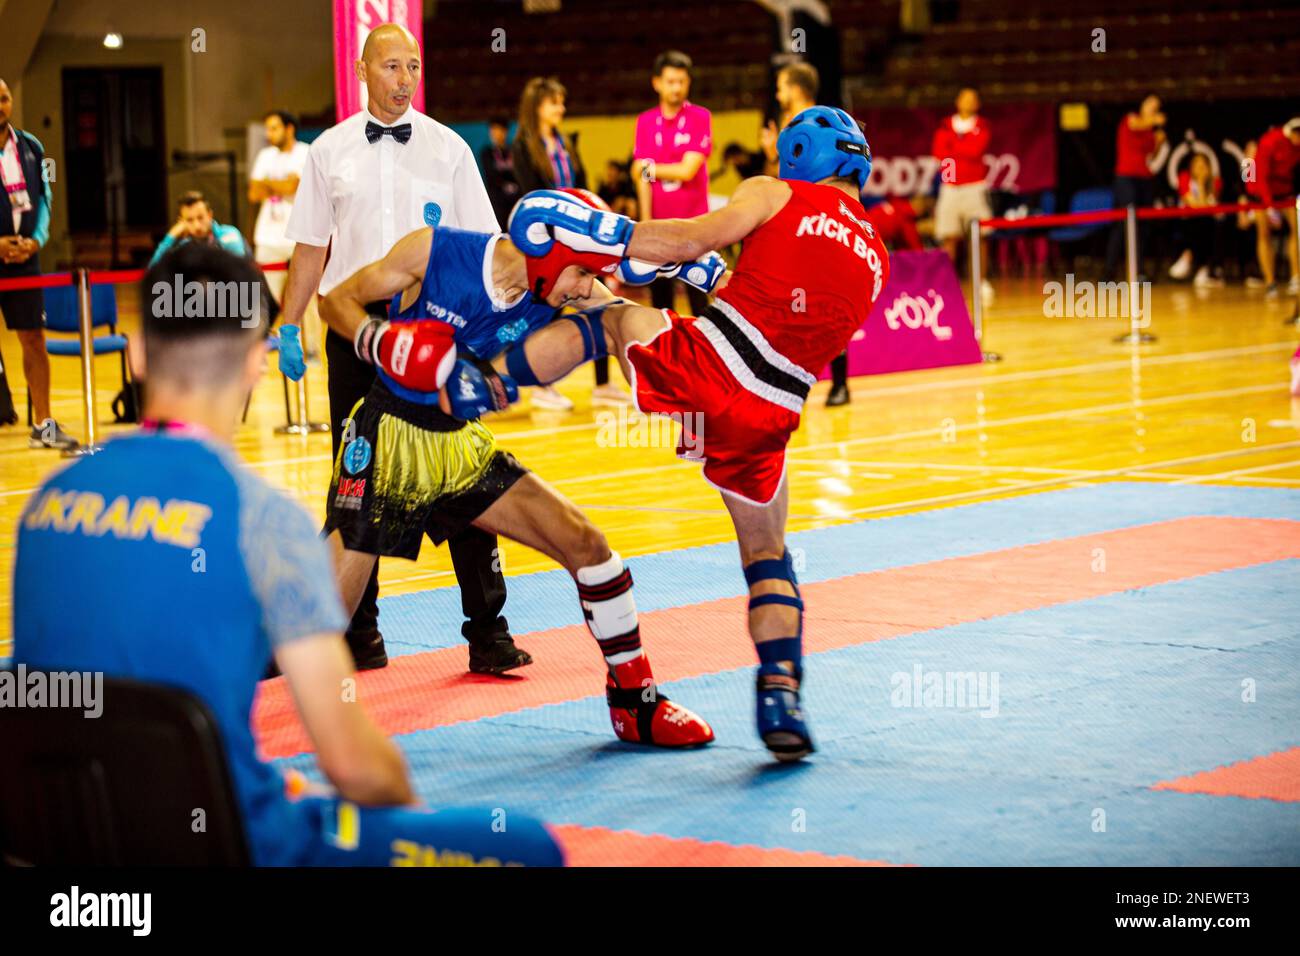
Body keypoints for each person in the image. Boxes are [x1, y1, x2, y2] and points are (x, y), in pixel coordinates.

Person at [12, 243, 563, 867]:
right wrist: (400, 817)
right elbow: (356, 767)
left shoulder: (47, 501)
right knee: (528, 848)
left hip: (62, 844)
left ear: (136, 355)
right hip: (229, 838)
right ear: (256, 366)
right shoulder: (264, 521)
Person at [475, 107, 890, 761]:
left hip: (712, 367)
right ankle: (782, 690)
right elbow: (776, 298)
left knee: (607, 317)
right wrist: (702, 275)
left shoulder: (772, 192)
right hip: (771, 419)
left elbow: (685, 242)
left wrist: (605, 235)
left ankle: (482, 387)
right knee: (767, 556)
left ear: (800, 154)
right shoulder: (878, 259)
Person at [314, 191, 717, 749]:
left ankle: (636, 704)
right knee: (323, 618)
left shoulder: (563, 286)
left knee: (588, 546)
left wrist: (685, 404)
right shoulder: (433, 252)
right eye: (580, 272)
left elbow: (628, 321)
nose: (583, 287)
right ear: (548, 252)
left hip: (459, 442)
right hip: (388, 433)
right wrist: (378, 339)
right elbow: (336, 300)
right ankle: (236, 733)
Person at [280, 23, 528, 676]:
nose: (404, 78)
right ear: (362, 71)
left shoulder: (448, 149)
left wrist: (493, 337)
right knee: (355, 481)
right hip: (353, 332)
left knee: (460, 472)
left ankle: (488, 632)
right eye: (391, 66)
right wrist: (287, 325)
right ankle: (358, 635)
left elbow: (485, 244)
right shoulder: (328, 151)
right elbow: (309, 247)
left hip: (434, 332)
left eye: (412, 66)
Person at [512, 76, 628, 409]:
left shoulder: (564, 141)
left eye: (562, 102)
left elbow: (582, 184)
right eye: (554, 103)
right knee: (549, 310)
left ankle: (603, 383)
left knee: (601, 302)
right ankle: (541, 383)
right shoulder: (523, 146)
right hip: (550, 241)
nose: (561, 108)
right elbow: (531, 195)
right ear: (537, 107)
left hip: (581, 236)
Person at [0, 77, 77, 448]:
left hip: (24, 260)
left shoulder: (33, 147)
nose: (1, 105)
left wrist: (36, 241)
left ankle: (44, 425)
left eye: (4, 98)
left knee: (34, 339)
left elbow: (46, 197)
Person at [633, 51, 713, 319]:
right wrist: (645, 223)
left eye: (681, 81)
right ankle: (665, 359)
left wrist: (648, 168)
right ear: (656, 83)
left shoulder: (700, 117)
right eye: (670, 81)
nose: (676, 87)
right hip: (659, 229)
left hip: (695, 228)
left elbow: (687, 170)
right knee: (660, 305)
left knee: (699, 301)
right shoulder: (644, 122)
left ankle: (704, 358)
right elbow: (641, 178)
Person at [932, 87, 993, 303]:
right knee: (949, 237)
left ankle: (981, 283)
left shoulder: (982, 126)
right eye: (964, 98)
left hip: (975, 187)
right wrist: (959, 149)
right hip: (950, 187)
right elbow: (940, 154)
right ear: (958, 102)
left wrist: (954, 147)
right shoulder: (945, 125)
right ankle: (946, 284)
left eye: (972, 99)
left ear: (977, 104)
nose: (968, 102)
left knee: (979, 237)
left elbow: (975, 151)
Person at [248, 110, 310, 306]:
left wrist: (267, 182)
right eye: (267, 129)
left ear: (289, 129)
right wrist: (283, 183)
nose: (269, 134)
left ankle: (300, 338)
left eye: (274, 128)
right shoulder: (265, 155)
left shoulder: (306, 151)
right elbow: (254, 193)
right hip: (267, 237)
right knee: (267, 303)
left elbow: (295, 186)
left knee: (303, 303)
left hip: (298, 236)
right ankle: (270, 338)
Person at [1104, 95, 1165, 281]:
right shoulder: (1130, 119)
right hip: (1126, 178)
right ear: (1142, 105)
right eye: (1150, 104)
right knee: (1123, 224)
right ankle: (1109, 271)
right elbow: (1137, 125)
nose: (1154, 108)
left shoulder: (1151, 133)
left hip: (1145, 179)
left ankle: (1139, 271)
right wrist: (1154, 121)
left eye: (1157, 107)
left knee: (1143, 227)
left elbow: (1151, 157)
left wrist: (1159, 143)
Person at [1251, 118, 1300, 296]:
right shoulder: (1270, 141)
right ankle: (1270, 282)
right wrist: (1269, 206)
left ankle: (1296, 277)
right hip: (1261, 192)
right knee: (1264, 234)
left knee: (1297, 230)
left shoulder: (1297, 146)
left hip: (1285, 192)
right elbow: (1260, 175)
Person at [1168, 153, 1225, 288]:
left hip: (1209, 223)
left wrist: (1201, 183)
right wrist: (1199, 184)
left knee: (1210, 225)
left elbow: (1207, 208)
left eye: (1203, 165)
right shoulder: (1184, 178)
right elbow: (1194, 205)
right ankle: (1201, 266)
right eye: (1197, 165)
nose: (1200, 168)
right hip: (1187, 221)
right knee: (1200, 223)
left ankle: (1190, 257)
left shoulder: (1215, 182)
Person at [150, 191, 250, 265]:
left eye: (200, 218)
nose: (197, 226)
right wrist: (170, 237)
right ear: (182, 222)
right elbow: (153, 272)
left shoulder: (228, 234)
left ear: (210, 215)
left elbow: (237, 270)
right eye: (189, 220)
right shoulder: (183, 244)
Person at [480, 116, 520, 231]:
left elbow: (519, 176)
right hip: (498, 203)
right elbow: (491, 177)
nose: (495, 134)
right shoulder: (487, 153)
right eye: (492, 130)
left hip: (515, 201)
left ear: (505, 131)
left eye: (498, 130)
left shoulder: (514, 151)